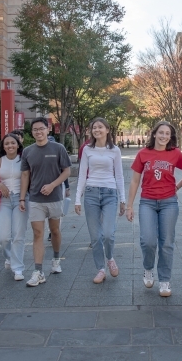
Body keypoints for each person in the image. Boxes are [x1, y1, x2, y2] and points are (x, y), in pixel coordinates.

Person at [125, 121, 182, 297]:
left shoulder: (175, 154)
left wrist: (177, 187)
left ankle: (164, 281)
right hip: (147, 202)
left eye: (167, 134)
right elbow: (134, 181)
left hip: (169, 202)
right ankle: (148, 269)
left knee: (166, 243)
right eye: (161, 133)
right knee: (148, 241)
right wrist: (129, 206)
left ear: (171, 137)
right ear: (154, 134)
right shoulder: (143, 154)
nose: (163, 136)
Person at [19, 117, 71, 287]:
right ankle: (38, 271)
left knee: (55, 231)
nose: (38, 132)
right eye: (35, 129)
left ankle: (56, 259)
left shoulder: (58, 148)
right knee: (37, 234)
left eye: (41, 129)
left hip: (55, 197)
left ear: (48, 130)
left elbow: (67, 171)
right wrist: (22, 197)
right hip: (35, 199)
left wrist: (53, 185)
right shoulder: (27, 151)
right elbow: (25, 175)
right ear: (31, 132)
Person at [75, 117, 126, 283]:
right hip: (91, 193)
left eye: (100, 127)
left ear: (107, 130)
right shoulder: (87, 149)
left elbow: (119, 175)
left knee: (108, 234)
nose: (96, 130)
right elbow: (82, 174)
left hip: (110, 194)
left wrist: (123, 200)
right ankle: (101, 269)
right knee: (95, 236)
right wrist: (77, 199)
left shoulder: (115, 150)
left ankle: (110, 258)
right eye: (94, 128)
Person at [0, 133, 27, 281]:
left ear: (18, 145)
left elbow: (27, 178)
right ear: (3, 147)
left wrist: (23, 199)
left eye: (13, 143)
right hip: (4, 200)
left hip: (20, 198)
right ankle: (9, 257)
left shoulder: (23, 160)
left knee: (18, 235)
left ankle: (18, 268)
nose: (10, 146)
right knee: (3, 236)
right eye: (7, 144)